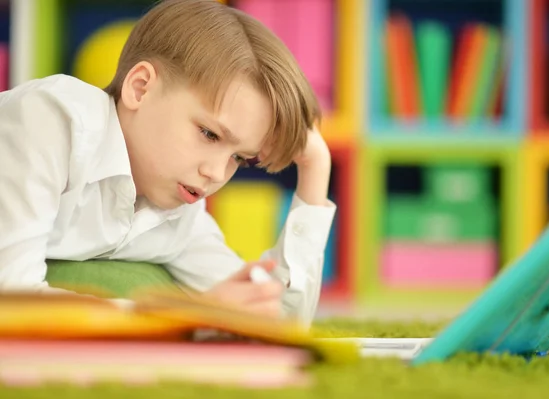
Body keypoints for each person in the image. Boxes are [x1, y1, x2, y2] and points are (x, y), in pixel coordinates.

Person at [0, 0, 335, 325]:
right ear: (141, 88)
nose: (216, 174)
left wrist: (315, 167)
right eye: (209, 134)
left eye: (239, 158)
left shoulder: (178, 212)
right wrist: (186, 315)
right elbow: (11, 300)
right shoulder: (49, 120)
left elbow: (277, 320)